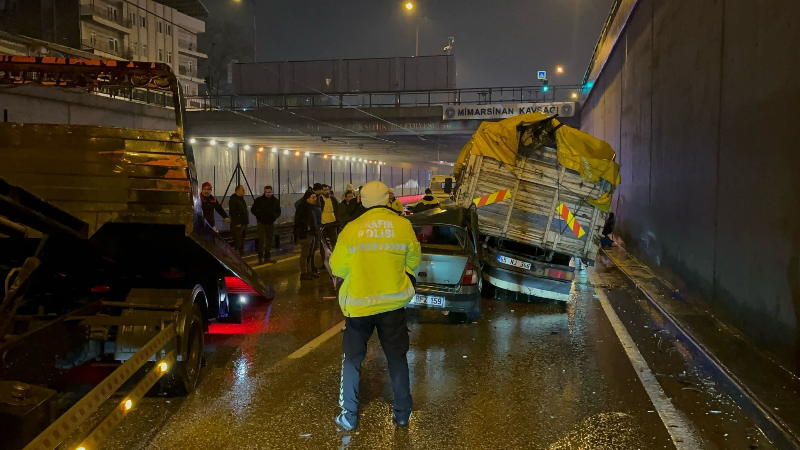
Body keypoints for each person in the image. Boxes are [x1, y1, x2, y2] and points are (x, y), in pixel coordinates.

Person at [330, 181, 421, 431]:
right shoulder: (403, 225)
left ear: (360, 199)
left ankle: (349, 416)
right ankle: (402, 415)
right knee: (397, 358)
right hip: (393, 306)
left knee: (352, 360)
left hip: (359, 306)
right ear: (388, 199)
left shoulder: (352, 228)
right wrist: (404, 277)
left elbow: (337, 267)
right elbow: (414, 259)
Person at [251, 185, 281, 264]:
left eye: (269, 192)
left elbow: (278, 211)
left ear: (271, 192)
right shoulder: (259, 200)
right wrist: (259, 216)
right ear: (264, 192)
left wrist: (274, 216)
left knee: (269, 240)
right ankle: (260, 258)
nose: (267, 194)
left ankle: (267, 257)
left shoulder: (275, 201)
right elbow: (253, 209)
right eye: (266, 192)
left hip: (270, 222)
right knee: (261, 240)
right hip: (261, 222)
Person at [294, 189, 318, 280]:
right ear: (307, 198)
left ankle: (309, 271)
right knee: (305, 254)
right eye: (313, 197)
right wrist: (306, 228)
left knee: (310, 253)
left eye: (315, 197)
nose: (315, 199)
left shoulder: (310, 207)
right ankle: (303, 273)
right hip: (305, 234)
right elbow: (299, 221)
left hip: (311, 233)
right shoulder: (303, 208)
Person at [318, 184, 340, 254]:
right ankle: (324, 260)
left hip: (332, 223)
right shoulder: (319, 200)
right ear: (321, 191)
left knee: (334, 242)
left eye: (327, 190)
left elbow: (337, 209)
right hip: (323, 225)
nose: (326, 191)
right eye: (324, 190)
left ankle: (335, 258)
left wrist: (337, 220)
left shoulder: (333, 199)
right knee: (324, 245)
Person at [229, 185, 249, 255]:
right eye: (242, 190)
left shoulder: (241, 199)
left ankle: (241, 256)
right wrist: (237, 222)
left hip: (244, 224)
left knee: (242, 241)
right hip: (238, 225)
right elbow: (233, 212)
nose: (244, 191)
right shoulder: (234, 199)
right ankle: (236, 257)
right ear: (238, 191)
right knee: (237, 242)